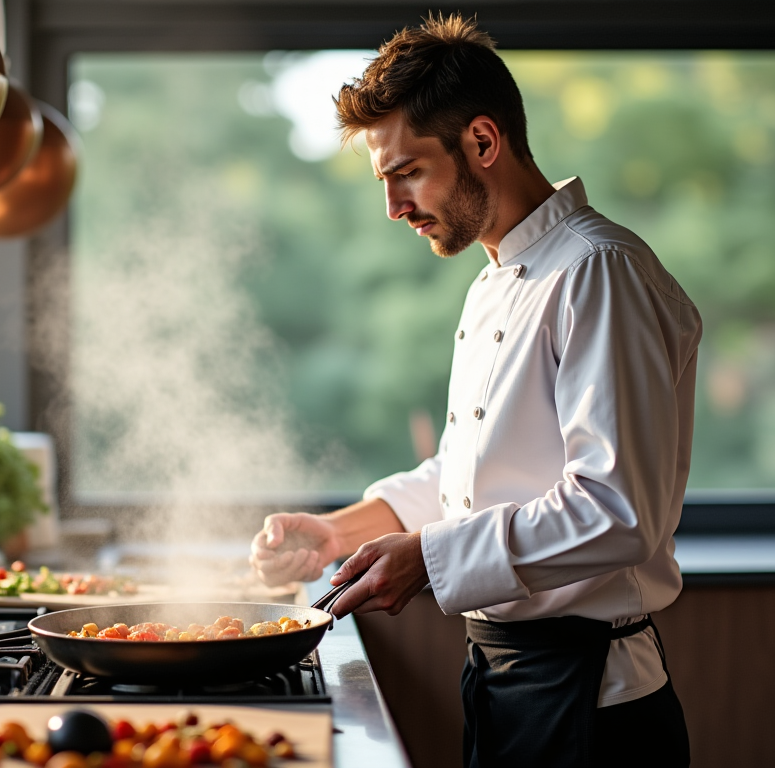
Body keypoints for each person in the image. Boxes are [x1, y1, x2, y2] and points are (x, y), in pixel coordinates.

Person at [249, 14, 699, 768]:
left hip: (594, 700)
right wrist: (343, 532)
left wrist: (426, 558)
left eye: (407, 173)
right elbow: (472, 472)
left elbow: (618, 511)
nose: (394, 206)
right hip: (506, 676)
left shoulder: (597, 271)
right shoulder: (497, 280)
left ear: (482, 143)